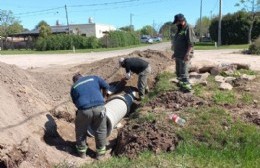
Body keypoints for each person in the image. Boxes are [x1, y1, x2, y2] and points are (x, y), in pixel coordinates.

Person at [70, 73, 111, 160]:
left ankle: (82, 154)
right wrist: (103, 97)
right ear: (83, 76)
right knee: (101, 130)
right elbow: (106, 86)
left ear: (74, 81)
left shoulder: (74, 87)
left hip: (84, 110)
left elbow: (75, 102)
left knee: (81, 131)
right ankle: (100, 155)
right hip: (100, 108)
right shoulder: (94, 78)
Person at [171, 13, 195, 92]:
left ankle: (187, 91)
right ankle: (181, 87)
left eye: (177, 22)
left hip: (184, 55)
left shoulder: (188, 28)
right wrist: (175, 53)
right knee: (178, 73)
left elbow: (191, 43)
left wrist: (187, 54)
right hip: (178, 55)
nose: (176, 24)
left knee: (184, 74)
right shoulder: (180, 29)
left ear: (181, 21)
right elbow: (178, 42)